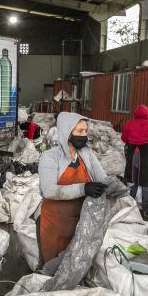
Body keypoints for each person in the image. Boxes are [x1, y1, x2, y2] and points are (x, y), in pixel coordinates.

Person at [37, 112, 110, 265]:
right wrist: (84, 188)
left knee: (76, 266)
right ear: (67, 132)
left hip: (80, 223)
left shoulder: (87, 154)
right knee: (53, 266)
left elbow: (102, 178)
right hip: (55, 224)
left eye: (85, 131)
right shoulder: (50, 157)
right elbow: (49, 190)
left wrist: (114, 187)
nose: (84, 136)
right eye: (79, 131)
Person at [121, 104, 148, 217]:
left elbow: (124, 138)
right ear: (147, 114)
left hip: (132, 154)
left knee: (133, 180)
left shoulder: (129, 124)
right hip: (145, 154)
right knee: (145, 181)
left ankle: (130, 205)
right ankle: (146, 207)